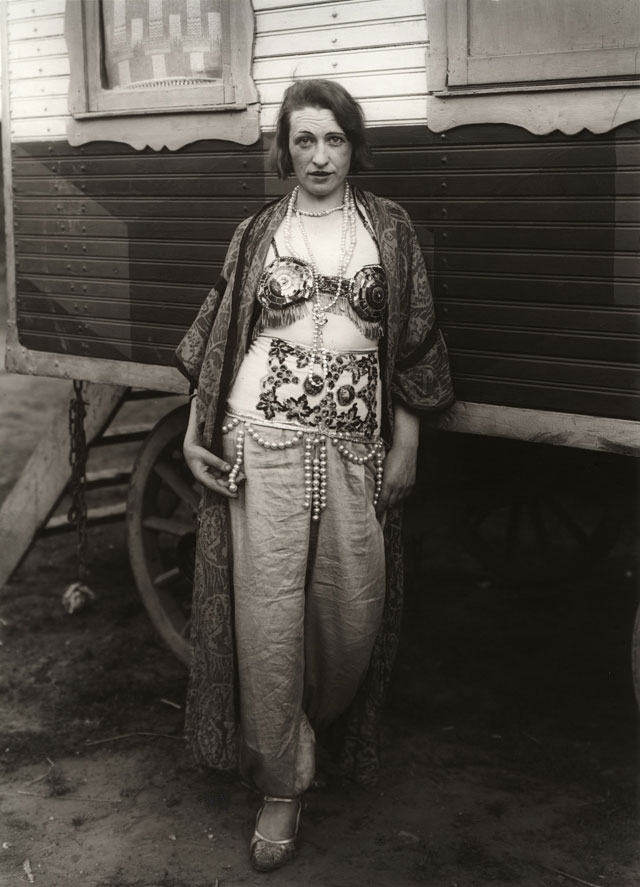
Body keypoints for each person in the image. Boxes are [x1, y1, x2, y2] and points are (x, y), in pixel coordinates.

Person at [174, 79, 454, 872]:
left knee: (349, 613)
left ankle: (311, 731)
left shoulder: (390, 230)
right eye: (304, 140)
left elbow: (414, 344)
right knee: (266, 621)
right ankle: (280, 785)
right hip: (258, 439)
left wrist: (408, 442)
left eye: (332, 139)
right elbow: (222, 335)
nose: (319, 156)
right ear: (284, 149)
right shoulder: (259, 230)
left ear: (353, 145)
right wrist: (199, 433)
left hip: (356, 448)